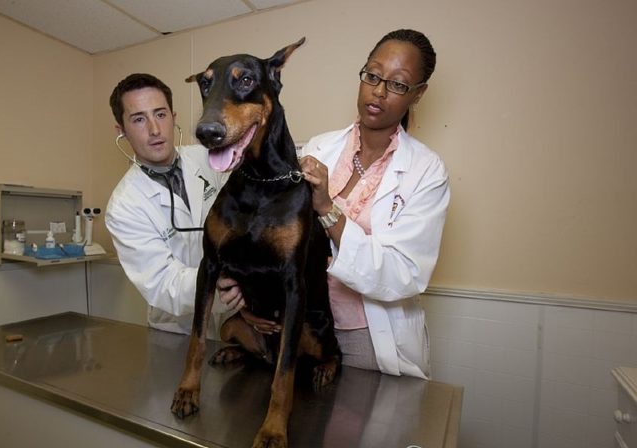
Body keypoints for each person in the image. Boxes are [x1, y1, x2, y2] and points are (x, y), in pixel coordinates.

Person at [222, 29, 449, 378]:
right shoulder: (316, 149)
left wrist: (328, 209)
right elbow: (268, 237)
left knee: (362, 429)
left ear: (418, 94)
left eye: (398, 85)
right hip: (299, 323)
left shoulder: (426, 171)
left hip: (367, 336)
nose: (379, 90)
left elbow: (405, 275)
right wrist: (244, 296)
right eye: (372, 75)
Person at [105, 73, 236, 335]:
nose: (154, 129)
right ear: (121, 130)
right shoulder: (123, 206)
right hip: (178, 329)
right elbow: (162, 282)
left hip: (235, 317)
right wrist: (217, 282)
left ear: (173, 117)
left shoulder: (211, 160)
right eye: (139, 119)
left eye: (161, 114)